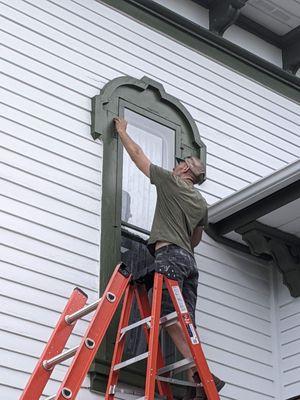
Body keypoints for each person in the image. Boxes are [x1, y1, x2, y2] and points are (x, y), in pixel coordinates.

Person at [114, 117, 225, 400]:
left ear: (185, 168)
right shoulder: (200, 203)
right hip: (189, 262)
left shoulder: (171, 182)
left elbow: (139, 158)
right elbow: (196, 238)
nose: (175, 165)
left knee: (165, 316)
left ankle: (202, 372)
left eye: (179, 163)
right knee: (187, 321)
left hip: (170, 256)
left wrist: (123, 132)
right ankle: (197, 380)